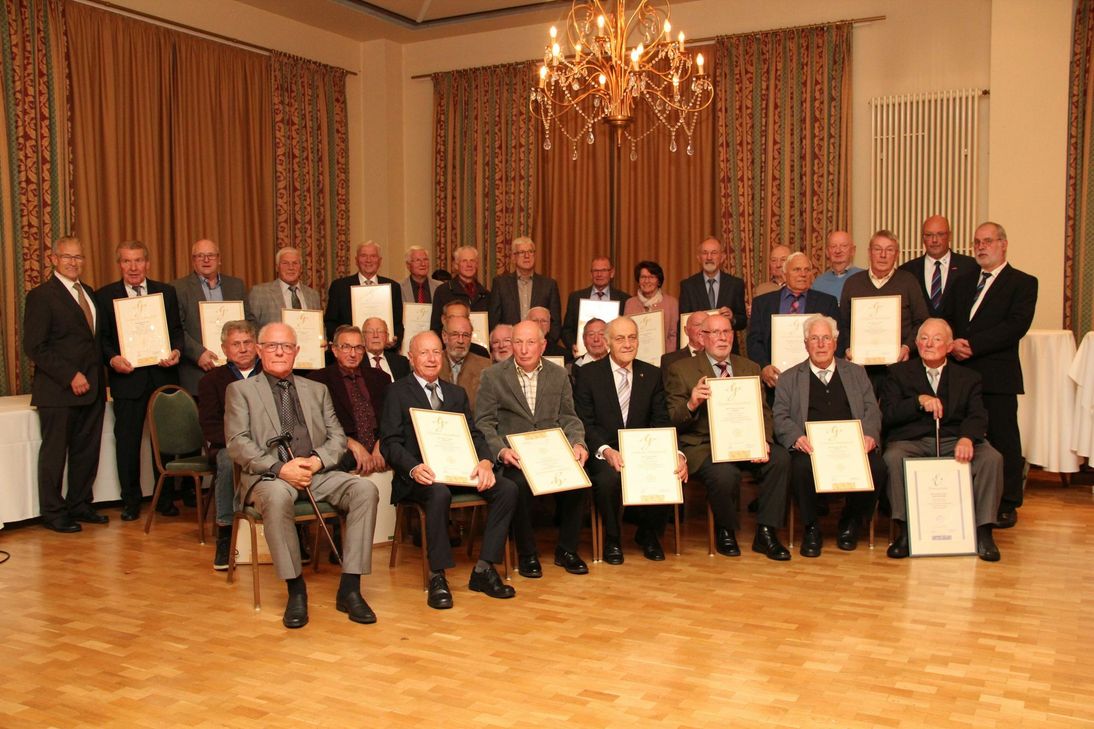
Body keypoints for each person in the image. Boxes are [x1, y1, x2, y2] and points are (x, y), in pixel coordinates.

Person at [225, 322, 380, 629]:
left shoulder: (316, 390)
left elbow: (337, 437)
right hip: (270, 477)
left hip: (316, 472)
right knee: (278, 496)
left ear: (297, 352)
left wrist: (317, 462)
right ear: (259, 350)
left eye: (286, 346)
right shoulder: (240, 391)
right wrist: (281, 468)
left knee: (365, 491)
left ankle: (350, 588)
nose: (280, 352)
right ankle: (296, 590)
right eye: (272, 346)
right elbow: (237, 443)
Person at [380, 331, 517, 608]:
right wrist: (414, 467)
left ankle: (484, 569)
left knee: (507, 488)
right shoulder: (397, 392)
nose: (431, 358)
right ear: (411, 358)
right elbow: (390, 443)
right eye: (424, 353)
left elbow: (474, 433)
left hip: (457, 471)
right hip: (420, 477)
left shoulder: (456, 393)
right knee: (439, 493)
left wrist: (486, 460)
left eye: (436, 352)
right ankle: (437, 575)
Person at [664, 314, 791, 561]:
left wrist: (763, 439)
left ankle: (766, 532)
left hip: (747, 442)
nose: (722, 338)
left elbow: (764, 411)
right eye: (715, 333)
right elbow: (672, 419)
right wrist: (692, 403)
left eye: (727, 332)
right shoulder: (681, 370)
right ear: (702, 337)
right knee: (724, 473)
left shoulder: (749, 367)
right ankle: (726, 530)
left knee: (781, 459)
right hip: (705, 445)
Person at [878, 318, 1003, 561]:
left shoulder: (969, 377)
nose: (929, 343)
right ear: (916, 343)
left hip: (954, 440)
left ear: (948, 346)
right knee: (892, 458)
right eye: (923, 338)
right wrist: (917, 402)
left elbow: (978, 415)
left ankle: (984, 531)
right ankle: (905, 532)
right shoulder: (897, 373)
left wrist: (967, 438)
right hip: (911, 441)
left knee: (991, 458)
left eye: (937, 339)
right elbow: (888, 415)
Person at [475, 320, 590, 578]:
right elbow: (484, 422)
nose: (524, 349)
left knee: (579, 479)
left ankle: (567, 550)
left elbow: (569, 417)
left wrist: (578, 443)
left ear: (542, 345)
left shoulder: (559, 374)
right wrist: (501, 451)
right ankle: (527, 554)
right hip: (516, 456)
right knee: (518, 486)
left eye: (530, 342)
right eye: (518, 342)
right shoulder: (492, 376)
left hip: (552, 453)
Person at [573, 316, 687, 563]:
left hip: (641, 449)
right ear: (607, 342)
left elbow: (661, 420)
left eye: (632, 337)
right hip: (603, 449)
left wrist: (675, 452)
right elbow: (585, 422)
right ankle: (612, 539)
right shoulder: (588, 374)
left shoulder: (652, 374)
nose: (627, 344)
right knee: (608, 478)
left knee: (670, 470)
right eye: (620, 338)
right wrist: (606, 450)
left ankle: (649, 535)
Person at [947, 222, 1037, 529]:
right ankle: (964, 497)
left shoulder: (1023, 283)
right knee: (960, 437)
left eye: (987, 241)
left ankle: (1008, 503)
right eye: (977, 242)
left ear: (1003, 244)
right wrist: (951, 343)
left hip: (997, 376)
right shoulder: (962, 281)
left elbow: (1015, 326)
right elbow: (945, 317)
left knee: (1003, 439)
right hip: (959, 374)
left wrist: (972, 345)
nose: (981, 247)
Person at [772, 315, 885, 556]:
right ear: (805, 344)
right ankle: (811, 527)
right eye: (815, 338)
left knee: (877, 466)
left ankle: (851, 521)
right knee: (800, 468)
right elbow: (780, 416)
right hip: (810, 448)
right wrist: (795, 437)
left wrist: (869, 435)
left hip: (853, 446)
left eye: (826, 338)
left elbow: (871, 409)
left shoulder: (856, 373)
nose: (821, 344)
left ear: (835, 342)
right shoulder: (789, 378)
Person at [23, 236, 107, 533]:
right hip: (58, 391)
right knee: (55, 454)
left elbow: (92, 342)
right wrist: (70, 375)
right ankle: (53, 512)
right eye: (67, 257)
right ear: (54, 259)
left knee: (86, 451)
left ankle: (80, 504)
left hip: (93, 389)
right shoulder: (42, 296)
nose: (74, 262)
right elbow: (35, 346)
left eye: (79, 257)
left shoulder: (90, 293)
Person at [96, 240, 184, 522]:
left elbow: (176, 331)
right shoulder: (104, 295)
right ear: (119, 264)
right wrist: (112, 360)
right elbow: (103, 340)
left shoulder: (166, 292)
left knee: (166, 443)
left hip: (162, 376)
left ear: (147, 263)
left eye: (138, 261)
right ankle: (131, 501)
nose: (133, 267)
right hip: (128, 379)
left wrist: (176, 351)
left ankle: (165, 498)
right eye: (126, 261)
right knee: (128, 442)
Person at [198, 320, 264, 569]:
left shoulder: (270, 373)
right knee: (227, 460)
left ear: (257, 346)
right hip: (228, 445)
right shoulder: (211, 381)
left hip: (266, 443)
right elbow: (210, 425)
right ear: (224, 349)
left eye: (247, 342)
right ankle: (226, 533)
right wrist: (241, 444)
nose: (243, 348)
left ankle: (296, 533)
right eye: (236, 344)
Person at [748, 251, 840, 391]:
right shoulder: (762, 303)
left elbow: (836, 339)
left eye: (807, 270)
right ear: (784, 274)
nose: (803, 274)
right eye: (797, 269)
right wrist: (764, 367)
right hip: (775, 381)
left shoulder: (827, 303)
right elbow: (754, 341)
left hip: (815, 380)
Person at [172, 239, 252, 396]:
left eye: (211, 255)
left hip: (236, 372)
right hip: (197, 372)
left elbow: (249, 321)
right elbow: (176, 328)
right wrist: (198, 353)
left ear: (219, 259)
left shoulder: (236, 285)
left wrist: (244, 349)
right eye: (200, 256)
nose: (206, 260)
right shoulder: (178, 288)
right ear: (193, 260)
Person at [307, 325, 390, 476]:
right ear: (334, 349)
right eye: (346, 347)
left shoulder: (381, 378)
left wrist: (382, 443)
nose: (353, 354)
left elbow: (391, 417)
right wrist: (353, 445)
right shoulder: (318, 380)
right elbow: (318, 425)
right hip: (343, 447)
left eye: (358, 347)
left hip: (380, 443)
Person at [838, 230, 929, 364]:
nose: (883, 255)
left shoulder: (908, 281)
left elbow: (922, 321)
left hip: (900, 364)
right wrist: (847, 348)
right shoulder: (853, 283)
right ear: (869, 253)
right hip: (860, 365)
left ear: (897, 254)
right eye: (877, 249)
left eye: (889, 250)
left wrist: (907, 347)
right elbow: (843, 324)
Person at [898, 215, 979, 320]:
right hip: (919, 335)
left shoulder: (970, 267)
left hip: (958, 335)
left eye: (940, 234)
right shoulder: (907, 271)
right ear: (923, 238)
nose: (934, 240)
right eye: (929, 235)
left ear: (950, 236)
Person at [324, 241, 403, 348]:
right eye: (363, 256)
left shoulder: (393, 287)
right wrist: (344, 342)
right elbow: (330, 322)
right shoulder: (339, 287)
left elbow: (398, 323)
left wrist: (394, 340)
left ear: (380, 261)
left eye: (373, 256)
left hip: (384, 352)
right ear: (356, 260)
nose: (368, 260)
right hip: (349, 352)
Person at [488, 236, 562, 347]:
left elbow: (555, 322)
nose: (527, 256)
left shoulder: (549, 285)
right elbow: (494, 319)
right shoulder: (500, 284)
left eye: (530, 252)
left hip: (539, 347)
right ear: (513, 257)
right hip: (509, 347)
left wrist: (544, 345)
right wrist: (503, 343)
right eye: (522, 252)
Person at [677, 237, 747, 352]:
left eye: (714, 253)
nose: (709, 257)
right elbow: (683, 322)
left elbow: (743, 321)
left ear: (722, 257)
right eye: (705, 253)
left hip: (726, 350)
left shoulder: (735, 284)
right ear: (698, 258)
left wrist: (732, 318)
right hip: (698, 351)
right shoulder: (688, 286)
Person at [561, 256, 628, 354]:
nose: (599, 274)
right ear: (591, 274)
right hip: (583, 355)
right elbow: (567, 330)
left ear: (612, 273)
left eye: (604, 270)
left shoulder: (624, 299)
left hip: (614, 357)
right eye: (595, 270)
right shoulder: (576, 297)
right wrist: (573, 345)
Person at [247, 247, 322, 329]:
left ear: (301, 268)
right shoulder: (260, 292)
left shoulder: (313, 295)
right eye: (285, 263)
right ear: (277, 267)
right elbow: (251, 327)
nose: (291, 267)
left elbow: (320, 326)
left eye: (295, 263)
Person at [430, 245, 490, 334]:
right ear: (456, 265)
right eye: (464, 261)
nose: (469, 265)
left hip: (480, 346)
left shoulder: (486, 294)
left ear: (477, 265)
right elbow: (436, 327)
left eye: (472, 261)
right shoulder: (443, 291)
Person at [624, 260, 679, 352]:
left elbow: (673, 335)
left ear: (658, 281)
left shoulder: (671, 303)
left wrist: (667, 358)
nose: (646, 281)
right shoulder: (630, 303)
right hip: (635, 356)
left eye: (651, 277)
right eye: (643, 277)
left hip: (664, 357)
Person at [439, 314, 491, 409]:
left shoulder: (486, 367)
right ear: (444, 336)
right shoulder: (432, 364)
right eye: (455, 334)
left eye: (465, 335)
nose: (461, 341)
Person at [811, 230, 864, 302]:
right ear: (827, 252)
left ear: (853, 251)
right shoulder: (818, 283)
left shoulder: (864, 278)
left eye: (843, 246)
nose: (838, 251)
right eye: (833, 246)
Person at [660, 310, 707, 379]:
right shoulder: (670, 360)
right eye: (697, 325)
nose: (702, 329)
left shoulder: (719, 356)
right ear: (686, 330)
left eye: (706, 325)